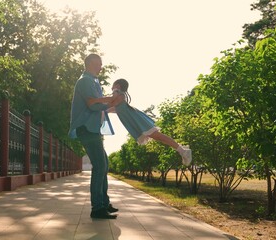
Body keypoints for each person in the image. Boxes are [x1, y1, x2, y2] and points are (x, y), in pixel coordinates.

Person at [88, 78, 192, 166]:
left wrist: (95, 100)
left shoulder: (118, 93)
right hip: (136, 119)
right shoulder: (119, 98)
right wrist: (103, 111)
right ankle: (181, 149)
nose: (111, 89)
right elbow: (111, 108)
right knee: (157, 137)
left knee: (158, 136)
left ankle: (183, 150)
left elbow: (110, 100)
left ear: (118, 86)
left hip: (137, 120)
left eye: (113, 87)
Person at [68, 53, 118, 219]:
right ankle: (97, 208)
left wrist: (117, 106)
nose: (100, 67)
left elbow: (101, 105)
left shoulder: (93, 82)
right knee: (100, 166)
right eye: (98, 63)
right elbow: (92, 104)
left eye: (101, 64)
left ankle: (104, 203)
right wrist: (112, 100)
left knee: (104, 165)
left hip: (93, 129)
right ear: (89, 63)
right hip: (87, 129)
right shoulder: (85, 81)